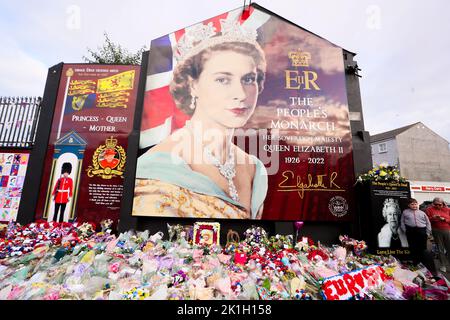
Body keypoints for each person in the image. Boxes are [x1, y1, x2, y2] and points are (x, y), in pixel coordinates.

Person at [133, 18, 268, 219]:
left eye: (248, 79)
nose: (240, 93)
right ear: (192, 85)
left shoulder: (254, 168)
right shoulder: (158, 166)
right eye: (223, 80)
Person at [400, 198, 432, 265]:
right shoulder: (405, 212)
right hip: (411, 231)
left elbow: (428, 223)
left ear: (417, 204)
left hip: (422, 231)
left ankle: (423, 262)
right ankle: (415, 262)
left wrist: (427, 233)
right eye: (412, 204)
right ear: (409, 205)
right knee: (413, 247)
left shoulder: (422, 212)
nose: (414, 205)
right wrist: (404, 230)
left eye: (415, 204)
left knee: (422, 247)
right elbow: (402, 221)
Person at [425, 197, 450, 272]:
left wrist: (444, 219)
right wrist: (433, 218)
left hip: (447, 229)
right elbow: (427, 220)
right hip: (436, 230)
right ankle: (443, 265)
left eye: (440, 204)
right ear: (433, 203)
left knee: (449, 248)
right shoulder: (429, 209)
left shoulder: (447, 209)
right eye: (436, 204)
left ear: (443, 203)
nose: (438, 206)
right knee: (440, 248)